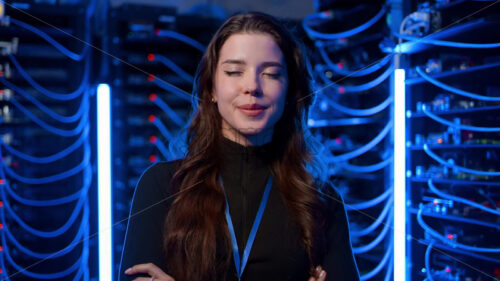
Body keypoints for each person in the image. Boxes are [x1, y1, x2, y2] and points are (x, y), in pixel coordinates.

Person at [118, 11, 360, 281]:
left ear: (291, 91)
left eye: (270, 73)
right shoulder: (162, 186)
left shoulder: (322, 202)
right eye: (234, 71)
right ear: (211, 88)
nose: (251, 86)